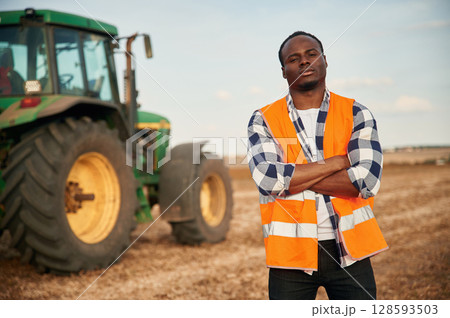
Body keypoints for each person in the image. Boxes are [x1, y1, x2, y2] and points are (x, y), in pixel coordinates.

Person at [247, 31, 388, 300]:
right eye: (294, 58)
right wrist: (337, 163)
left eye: (311, 54)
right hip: (290, 258)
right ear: (283, 71)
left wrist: (293, 176)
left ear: (324, 60)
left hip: (350, 253)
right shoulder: (263, 119)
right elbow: (268, 179)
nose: (304, 61)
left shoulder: (356, 112)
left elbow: (366, 181)